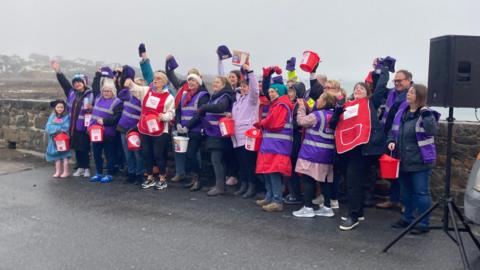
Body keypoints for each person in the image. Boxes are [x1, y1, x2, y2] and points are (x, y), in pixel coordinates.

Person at [330, 68, 389, 231]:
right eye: (356, 87)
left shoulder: (371, 102)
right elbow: (333, 125)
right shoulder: (346, 105)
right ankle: (359, 211)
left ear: (367, 92)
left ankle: (353, 215)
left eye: (362, 88)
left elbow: (381, 88)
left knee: (353, 183)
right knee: (353, 182)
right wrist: (337, 111)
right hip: (347, 149)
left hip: (363, 149)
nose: (358, 89)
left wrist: (382, 70)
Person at [388, 84, 439, 235]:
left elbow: (432, 131)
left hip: (421, 161)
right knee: (406, 192)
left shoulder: (427, 114)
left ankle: (423, 223)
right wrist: (390, 141)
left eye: (412, 92)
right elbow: (393, 131)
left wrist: (426, 114)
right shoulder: (401, 112)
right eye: (409, 92)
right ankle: (407, 218)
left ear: (420, 96)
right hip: (403, 160)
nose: (408, 94)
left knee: (421, 193)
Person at [125, 71, 175, 190]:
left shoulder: (169, 97)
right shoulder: (147, 91)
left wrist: (163, 117)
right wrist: (130, 83)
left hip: (161, 130)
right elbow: (135, 89)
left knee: (158, 154)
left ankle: (162, 178)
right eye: (154, 78)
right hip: (144, 128)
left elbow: (172, 113)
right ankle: (150, 178)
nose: (155, 80)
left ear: (164, 82)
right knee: (146, 153)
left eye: (158, 79)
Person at [292, 92, 336, 218]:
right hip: (328, 153)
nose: (317, 100)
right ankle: (327, 208)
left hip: (312, 152)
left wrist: (301, 107)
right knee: (325, 181)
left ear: (324, 101)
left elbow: (301, 121)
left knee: (307, 179)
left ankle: (308, 207)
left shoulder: (317, 115)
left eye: (320, 98)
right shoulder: (333, 115)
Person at [376, 69, 413, 211]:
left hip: (404, 139)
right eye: (395, 80)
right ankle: (394, 199)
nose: (397, 83)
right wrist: (379, 71)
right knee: (392, 172)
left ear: (409, 80)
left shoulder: (412, 95)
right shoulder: (391, 93)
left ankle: (405, 203)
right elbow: (379, 91)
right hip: (388, 137)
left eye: (400, 80)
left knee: (403, 172)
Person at [254, 84, 294, 212]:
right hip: (272, 144)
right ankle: (269, 196)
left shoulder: (281, 105)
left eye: (273, 91)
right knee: (267, 171)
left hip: (277, 145)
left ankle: (277, 200)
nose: (270, 94)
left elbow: (274, 123)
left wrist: (261, 123)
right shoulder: (277, 104)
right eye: (270, 91)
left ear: (280, 92)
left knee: (273, 172)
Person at [165, 54, 204, 183]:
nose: (191, 80)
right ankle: (180, 172)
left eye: (194, 77)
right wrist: (168, 62)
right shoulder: (182, 86)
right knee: (178, 150)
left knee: (194, 152)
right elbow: (170, 75)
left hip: (193, 128)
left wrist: (188, 126)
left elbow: (199, 113)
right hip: (179, 124)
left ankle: (196, 177)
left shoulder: (202, 92)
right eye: (189, 76)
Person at [51, 61, 93, 178]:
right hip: (73, 126)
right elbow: (64, 83)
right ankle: (80, 167)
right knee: (77, 148)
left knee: (85, 148)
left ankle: (87, 168)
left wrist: (91, 108)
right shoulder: (71, 93)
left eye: (79, 82)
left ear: (84, 83)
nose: (77, 84)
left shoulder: (91, 94)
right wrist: (58, 71)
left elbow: (96, 108)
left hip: (84, 126)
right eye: (75, 83)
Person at [198, 76, 235, 196]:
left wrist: (203, 107)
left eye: (218, 82)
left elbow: (220, 108)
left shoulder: (225, 97)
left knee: (217, 160)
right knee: (218, 160)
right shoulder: (215, 97)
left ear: (224, 85)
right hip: (212, 132)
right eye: (214, 82)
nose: (215, 84)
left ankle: (220, 186)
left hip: (219, 133)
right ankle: (220, 184)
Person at [229, 63, 259, 198]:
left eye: (245, 86)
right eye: (242, 86)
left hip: (247, 136)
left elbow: (255, 90)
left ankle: (252, 186)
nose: (243, 88)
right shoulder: (237, 101)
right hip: (236, 137)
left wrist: (250, 72)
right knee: (241, 164)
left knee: (249, 163)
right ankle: (244, 184)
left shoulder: (251, 100)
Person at [175, 73, 210, 191]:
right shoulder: (185, 95)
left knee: (191, 154)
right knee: (187, 155)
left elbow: (200, 114)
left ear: (198, 83)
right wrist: (178, 123)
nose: (190, 83)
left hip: (195, 130)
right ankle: (193, 178)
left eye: (193, 81)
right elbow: (178, 110)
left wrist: (188, 126)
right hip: (183, 130)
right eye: (189, 80)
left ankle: (198, 179)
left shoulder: (203, 95)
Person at [89, 78, 123, 183]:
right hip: (95, 131)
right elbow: (95, 86)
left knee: (109, 154)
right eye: (104, 91)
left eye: (109, 91)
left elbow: (117, 118)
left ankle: (109, 174)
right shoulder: (98, 98)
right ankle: (98, 173)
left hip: (108, 133)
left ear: (113, 91)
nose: (106, 93)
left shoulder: (117, 102)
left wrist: (104, 121)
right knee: (96, 153)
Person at [116, 65, 144, 184]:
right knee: (128, 153)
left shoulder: (144, 99)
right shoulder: (127, 94)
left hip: (135, 129)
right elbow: (120, 86)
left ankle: (139, 174)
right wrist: (122, 73)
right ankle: (131, 173)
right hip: (123, 127)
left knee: (137, 154)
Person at [284, 82, 307, 205]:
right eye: (289, 91)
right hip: (293, 139)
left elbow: (298, 123)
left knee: (294, 168)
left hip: (297, 140)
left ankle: (296, 194)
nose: (289, 94)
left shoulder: (300, 105)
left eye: (292, 91)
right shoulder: (294, 104)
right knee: (292, 168)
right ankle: (294, 193)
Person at [45, 99, 72, 178]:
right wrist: (56, 129)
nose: (60, 109)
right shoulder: (52, 116)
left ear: (64, 108)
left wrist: (58, 129)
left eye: (61, 107)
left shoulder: (66, 116)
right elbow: (48, 126)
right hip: (54, 139)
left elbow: (66, 126)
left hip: (63, 139)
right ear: (55, 108)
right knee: (56, 157)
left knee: (64, 156)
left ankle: (66, 171)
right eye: (58, 107)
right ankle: (58, 171)